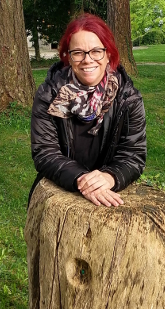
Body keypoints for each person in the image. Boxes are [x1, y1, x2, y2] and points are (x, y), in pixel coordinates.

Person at [30, 14, 146, 207]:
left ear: (108, 54)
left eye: (96, 51)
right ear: (68, 56)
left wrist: (111, 177)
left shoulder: (128, 98)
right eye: (78, 52)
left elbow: (133, 154)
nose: (87, 60)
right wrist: (82, 179)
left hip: (111, 192)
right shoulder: (49, 96)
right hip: (60, 189)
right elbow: (45, 152)